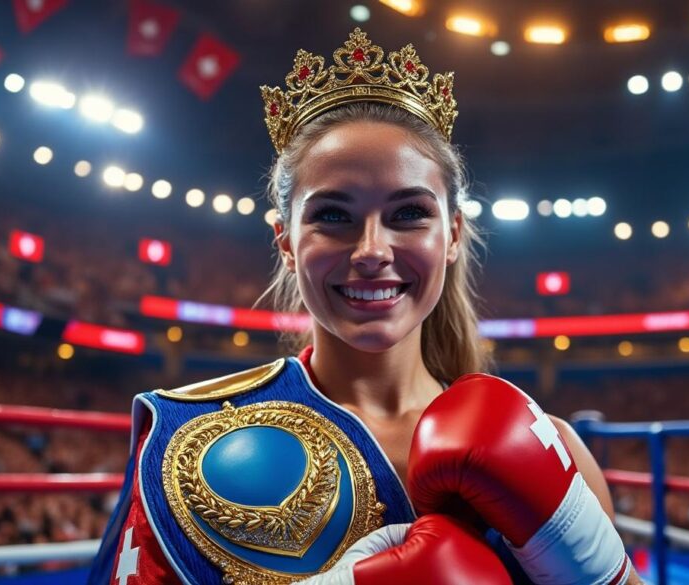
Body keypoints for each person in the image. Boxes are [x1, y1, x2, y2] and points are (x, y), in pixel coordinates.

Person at [89, 28, 639, 585]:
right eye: (332, 215)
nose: (372, 251)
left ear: (451, 235)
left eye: (407, 214)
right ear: (285, 242)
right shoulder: (185, 440)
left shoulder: (552, 448)